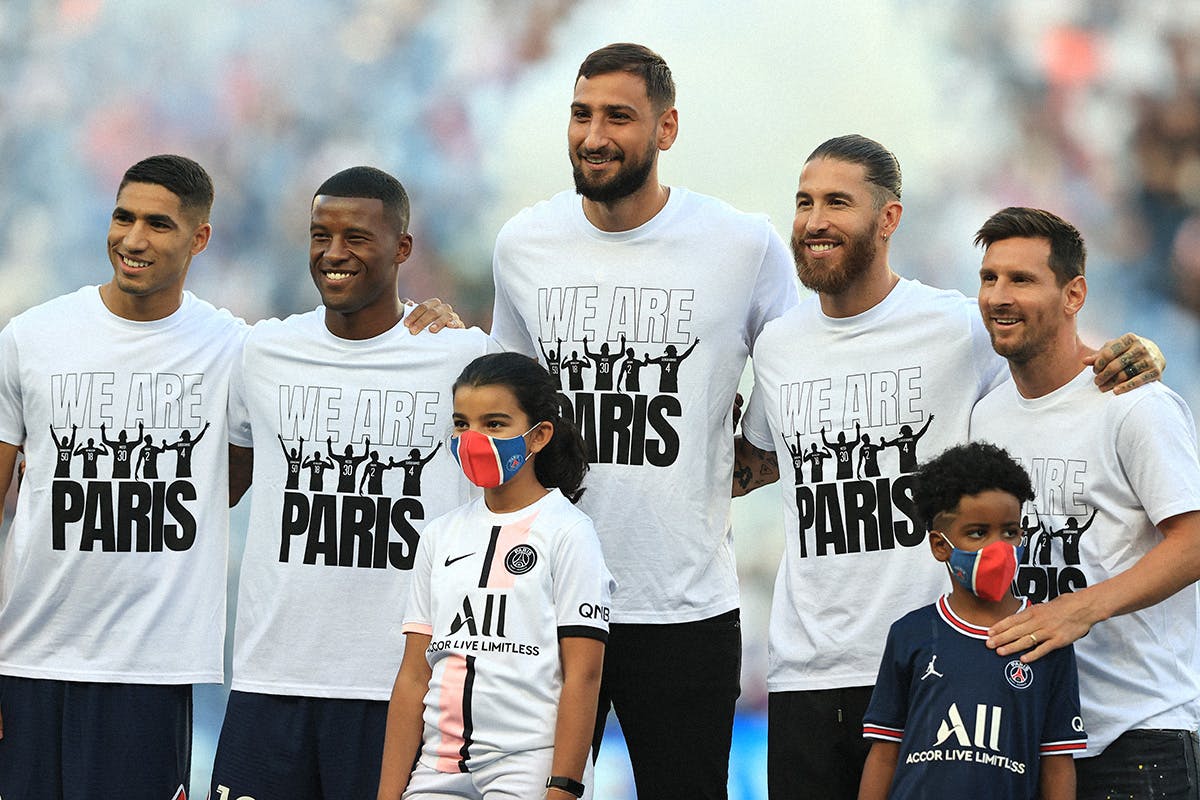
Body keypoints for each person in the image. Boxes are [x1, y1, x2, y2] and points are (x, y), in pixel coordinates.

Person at [733, 135, 1161, 800]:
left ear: (888, 219)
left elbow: (1056, 365)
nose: (815, 219)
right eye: (804, 202)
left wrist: (1131, 354)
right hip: (804, 678)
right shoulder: (780, 344)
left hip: (938, 663)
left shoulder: (956, 327)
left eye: (837, 202)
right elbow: (757, 462)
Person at [489, 43, 800, 798]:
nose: (593, 135)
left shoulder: (742, 244)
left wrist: (750, 455)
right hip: (545, 594)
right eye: (581, 113)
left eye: (618, 117)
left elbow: (800, 364)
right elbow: (504, 402)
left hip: (686, 605)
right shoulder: (524, 243)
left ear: (666, 130)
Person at [209, 166, 490, 800]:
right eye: (320, 234)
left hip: (404, 688)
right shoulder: (264, 352)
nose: (334, 254)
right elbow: (218, 482)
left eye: (357, 237)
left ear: (403, 248)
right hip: (270, 680)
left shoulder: (461, 358)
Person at [0, 154, 245, 800]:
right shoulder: (32, 338)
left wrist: (431, 319)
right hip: (24, 662)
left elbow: (233, 479)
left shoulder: (234, 349)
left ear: (200, 239)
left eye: (158, 225)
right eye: (123, 217)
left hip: (152, 671)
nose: (133, 239)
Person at [969, 207, 1200, 799]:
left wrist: (1081, 609)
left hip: (1139, 737)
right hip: (1030, 739)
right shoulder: (987, 414)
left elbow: (1194, 540)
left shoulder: (1133, 403)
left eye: (1022, 279)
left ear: (1074, 294)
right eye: (990, 277)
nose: (1000, 295)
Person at [377, 352, 613, 800]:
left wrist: (563, 788)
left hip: (527, 763)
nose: (473, 439)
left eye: (495, 424)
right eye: (462, 424)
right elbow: (412, 676)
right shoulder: (438, 535)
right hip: (437, 765)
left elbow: (584, 675)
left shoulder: (569, 533)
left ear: (539, 435)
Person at [858, 441, 1086, 800]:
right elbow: (885, 753)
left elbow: (1057, 763)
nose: (999, 547)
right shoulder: (910, 633)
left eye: (1010, 532)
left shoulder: (1046, 635)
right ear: (940, 545)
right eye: (978, 533)